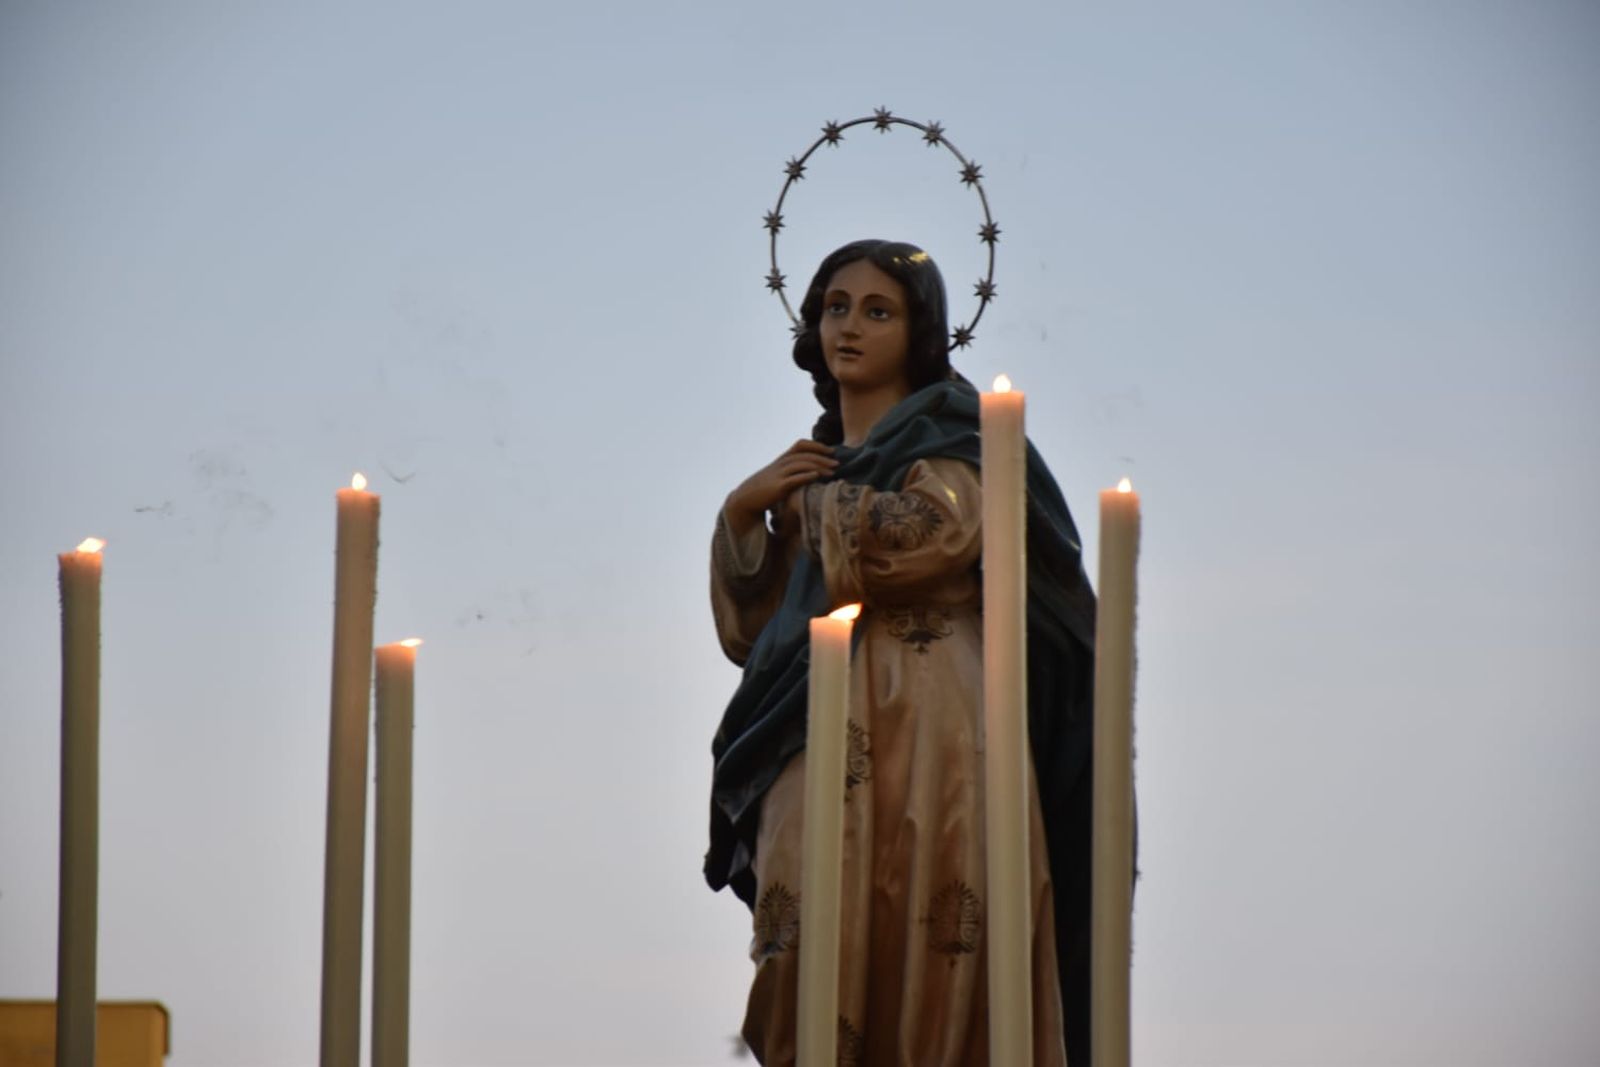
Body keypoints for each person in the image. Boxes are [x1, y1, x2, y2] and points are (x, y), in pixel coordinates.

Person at [706, 239, 1100, 1065]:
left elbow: (934, 534)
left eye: (878, 310)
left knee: (934, 914)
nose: (849, 325)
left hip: (933, 706)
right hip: (810, 713)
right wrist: (744, 515)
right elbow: (753, 635)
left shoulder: (953, 437)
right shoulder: (803, 475)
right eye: (835, 306)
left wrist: (809, 505)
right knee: (805, 923)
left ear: (919, 332)